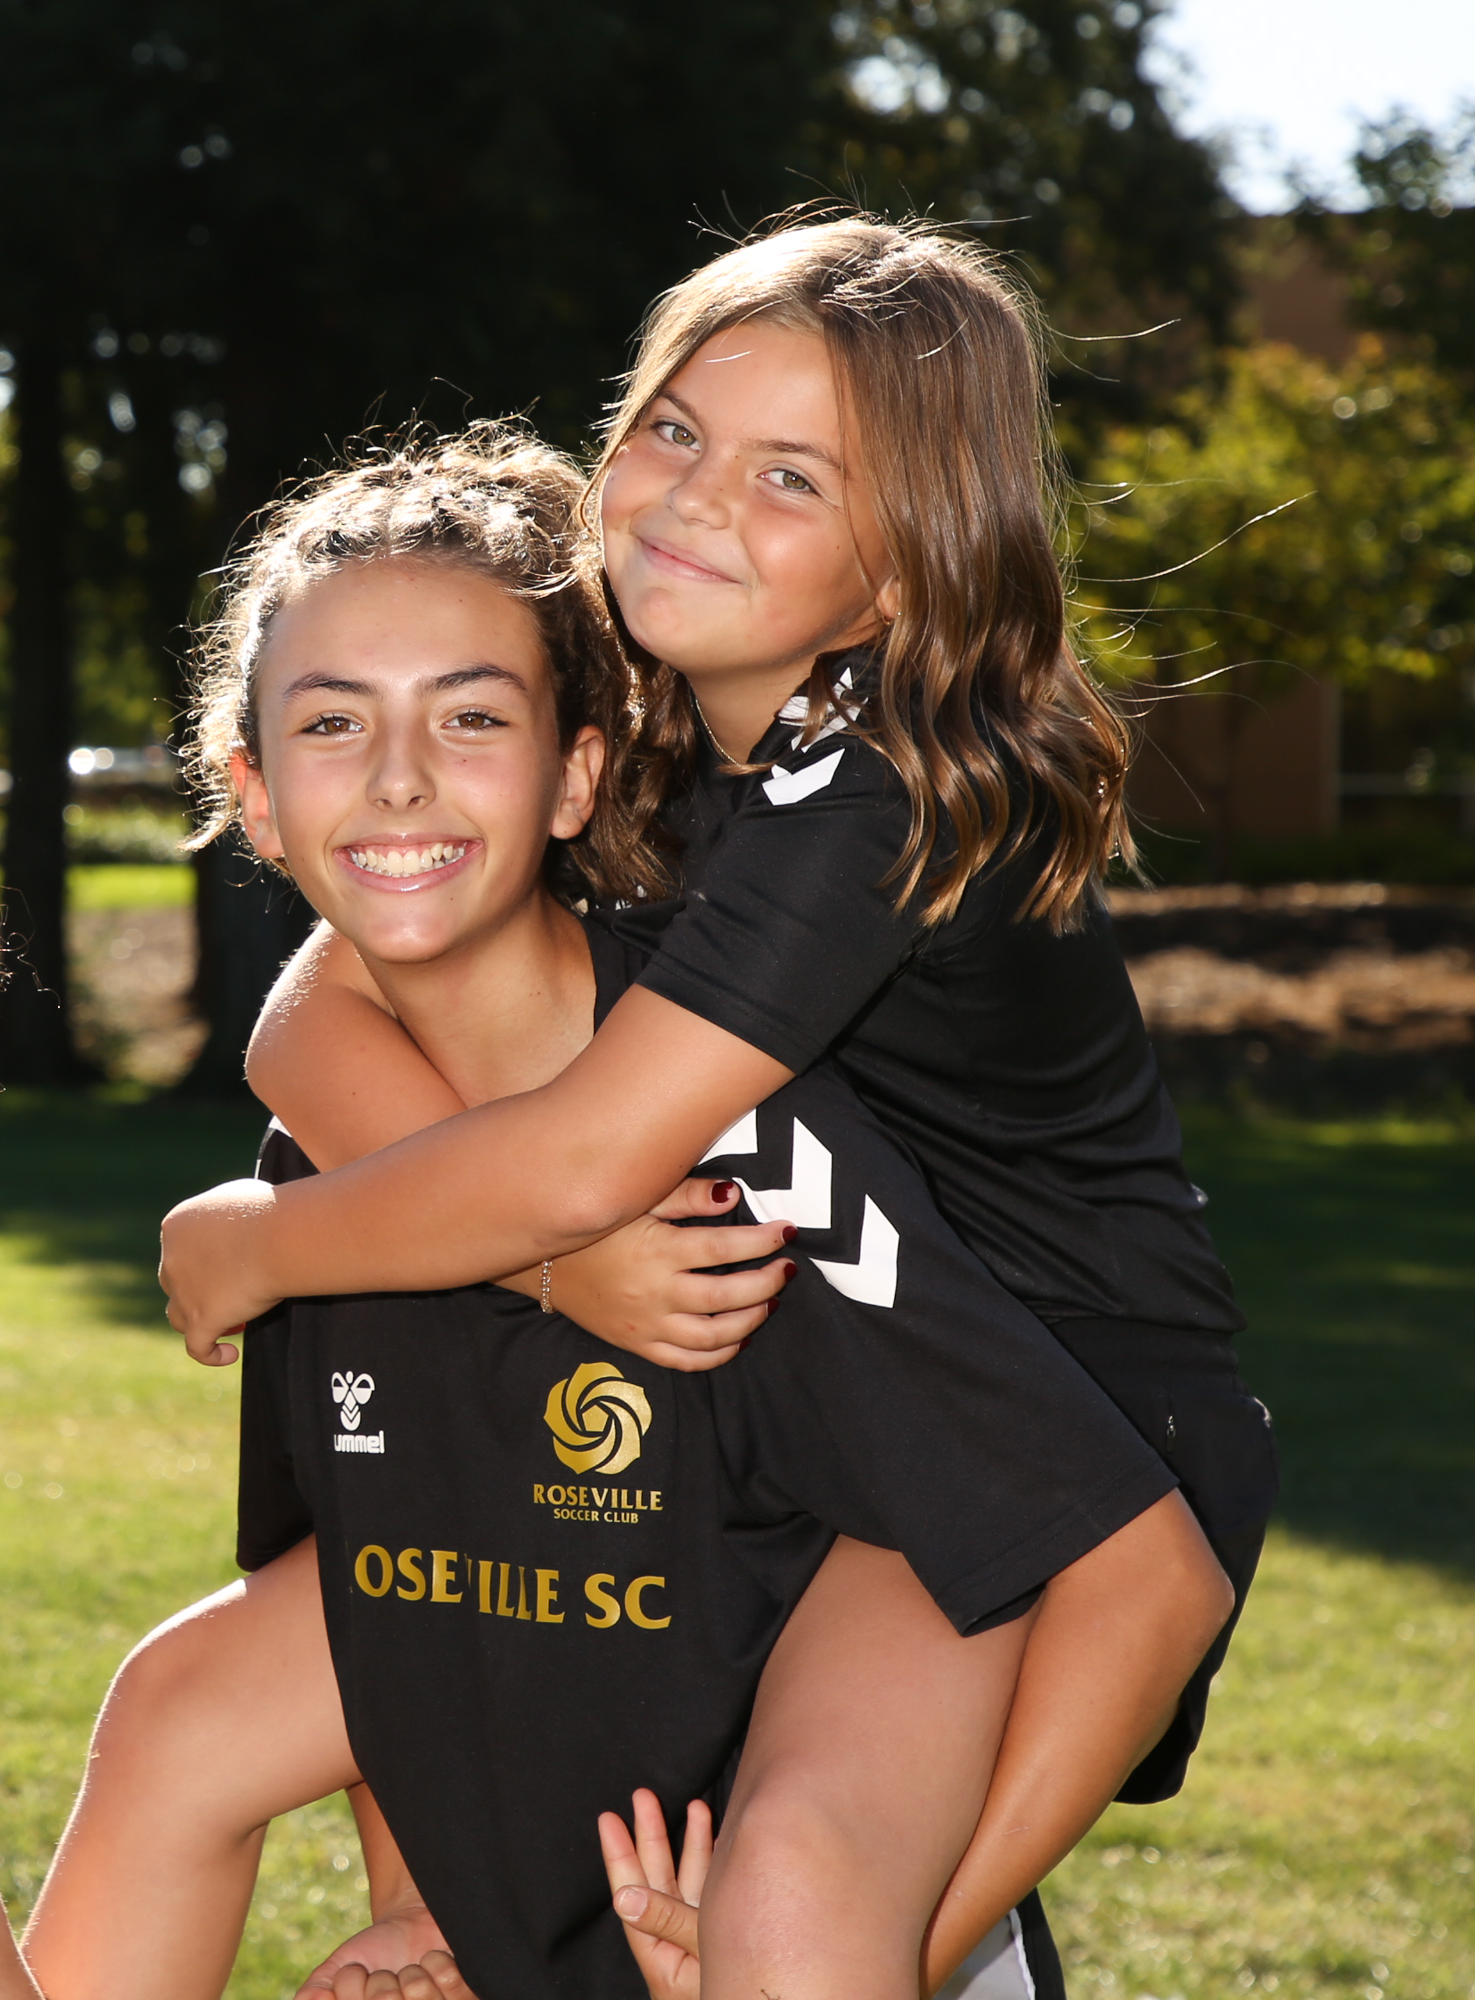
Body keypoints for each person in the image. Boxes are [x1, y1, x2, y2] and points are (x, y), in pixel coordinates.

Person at [157, 219, 1269, 1997]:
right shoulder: (668, 736)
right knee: (203, 1717)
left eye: (791, 478)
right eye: (673, 429)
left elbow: (590, 1155)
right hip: (812, 1375)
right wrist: (544, 1263)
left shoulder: (880, 782)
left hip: (1058, 1424)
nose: (694, 499)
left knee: (805, 1899)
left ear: (914, 557)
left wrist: (272, 1243)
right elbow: (321, 1001)